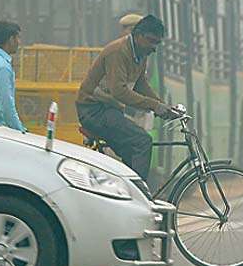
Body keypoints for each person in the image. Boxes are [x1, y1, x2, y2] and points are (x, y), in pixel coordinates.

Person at [76, 14, 180, 183]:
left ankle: (124, 193)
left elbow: (140, 83)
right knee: (142, 141)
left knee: (131, 152)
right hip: (93, 110)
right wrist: (154, 106)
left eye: (157, 43)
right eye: (151, 41)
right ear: (138, 36)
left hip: (110, 110)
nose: (154, 48)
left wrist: (162, 105)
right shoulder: (118, 52)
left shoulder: (140, 53)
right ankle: (138, 195)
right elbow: (119, 92)